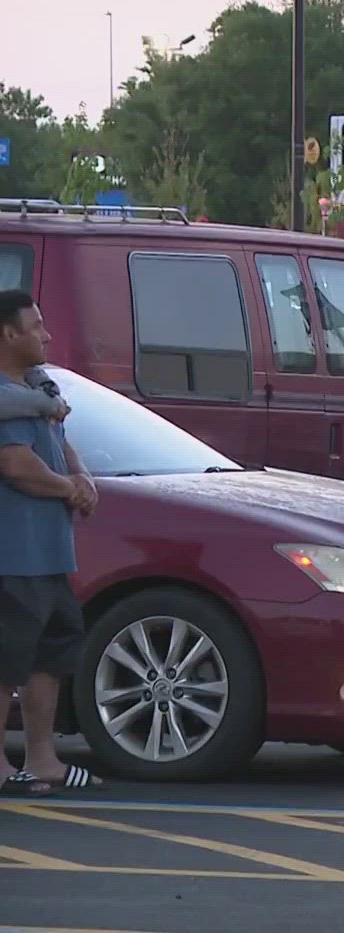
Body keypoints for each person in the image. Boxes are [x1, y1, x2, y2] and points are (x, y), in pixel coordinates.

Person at [0, 290, 103, 796]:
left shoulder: (36, 391)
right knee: (6, 661)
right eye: (36, 325)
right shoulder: (4, 398)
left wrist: (81, 474)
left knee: (48, 656)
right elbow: (16, 465)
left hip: (49, 556)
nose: (47, 334)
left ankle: (43, 761)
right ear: (8, 333)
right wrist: (68, 488)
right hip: (11, 556)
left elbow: (59, 444)